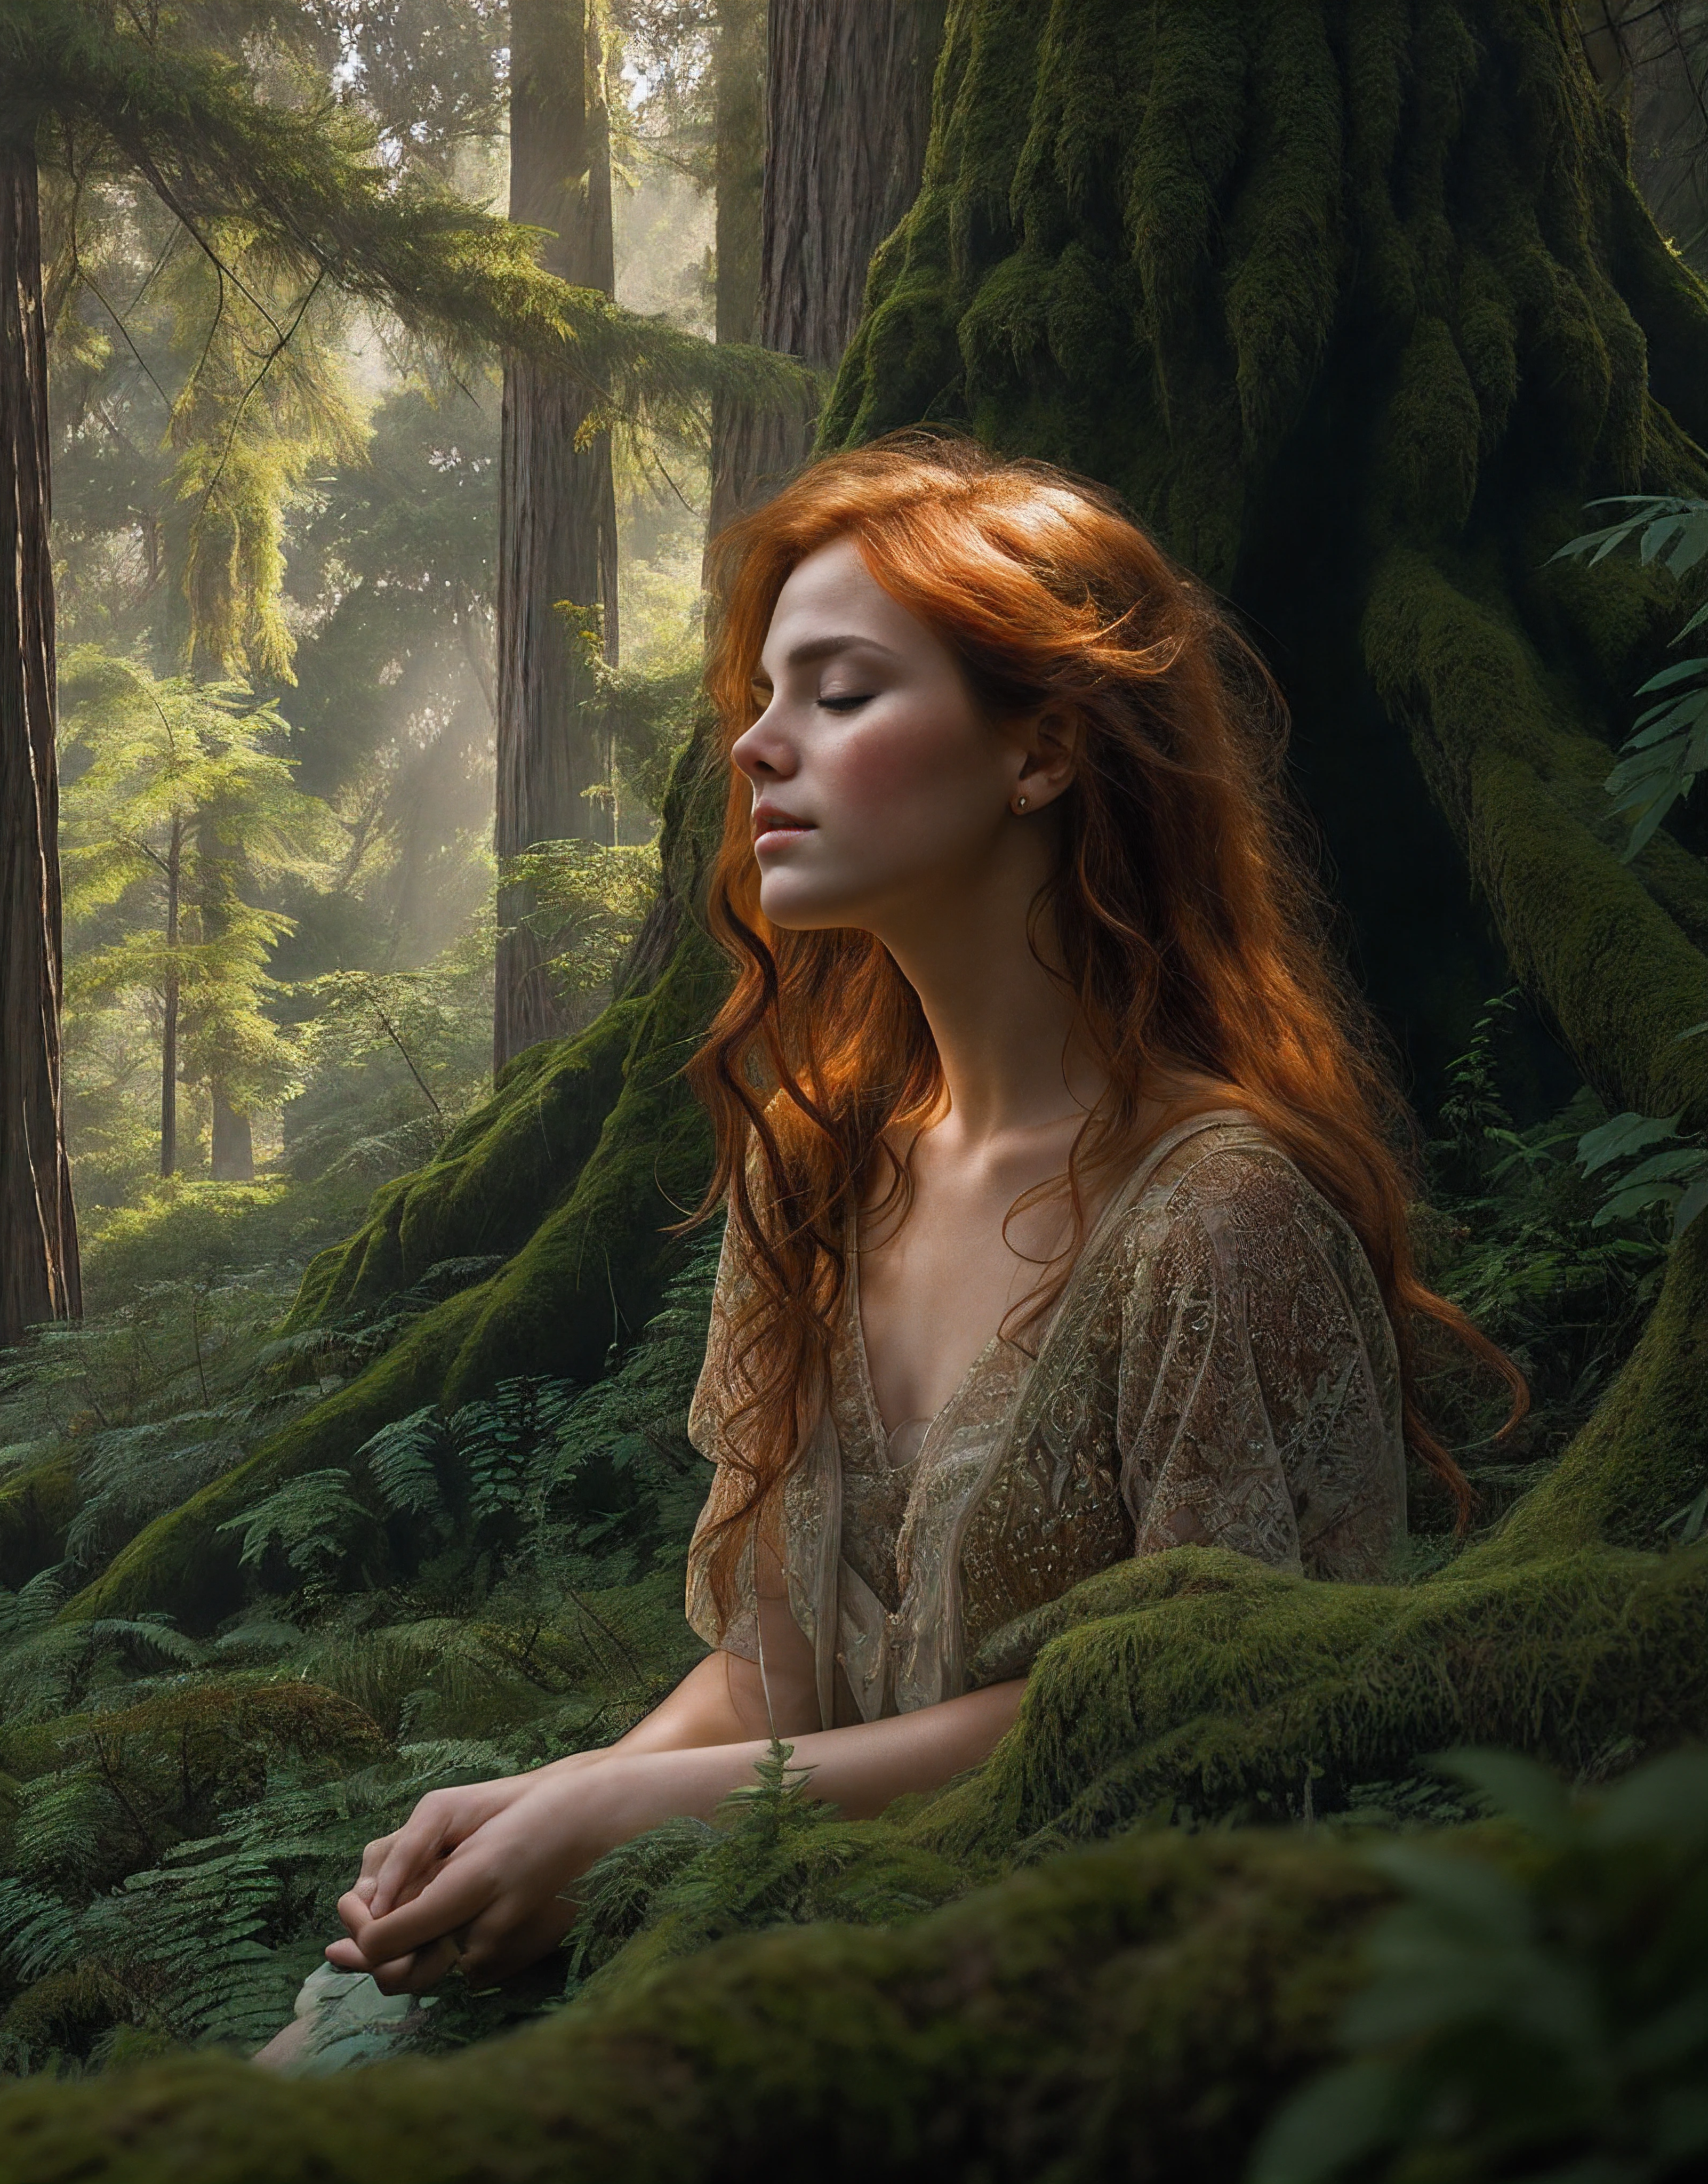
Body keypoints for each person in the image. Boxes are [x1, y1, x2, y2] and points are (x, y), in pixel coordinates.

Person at [268, 429, 1527, 2051]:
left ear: (1044, 750)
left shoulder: (1219, 1219)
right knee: (326, 2047)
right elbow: (772, 1671)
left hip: (1082, 2015)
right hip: (782, 1936)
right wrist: (556, 1797)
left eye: (841, 694)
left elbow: (1200, 1726)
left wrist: (634, 1824)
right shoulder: (816, 1178)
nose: (754, 750)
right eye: (764, 696)